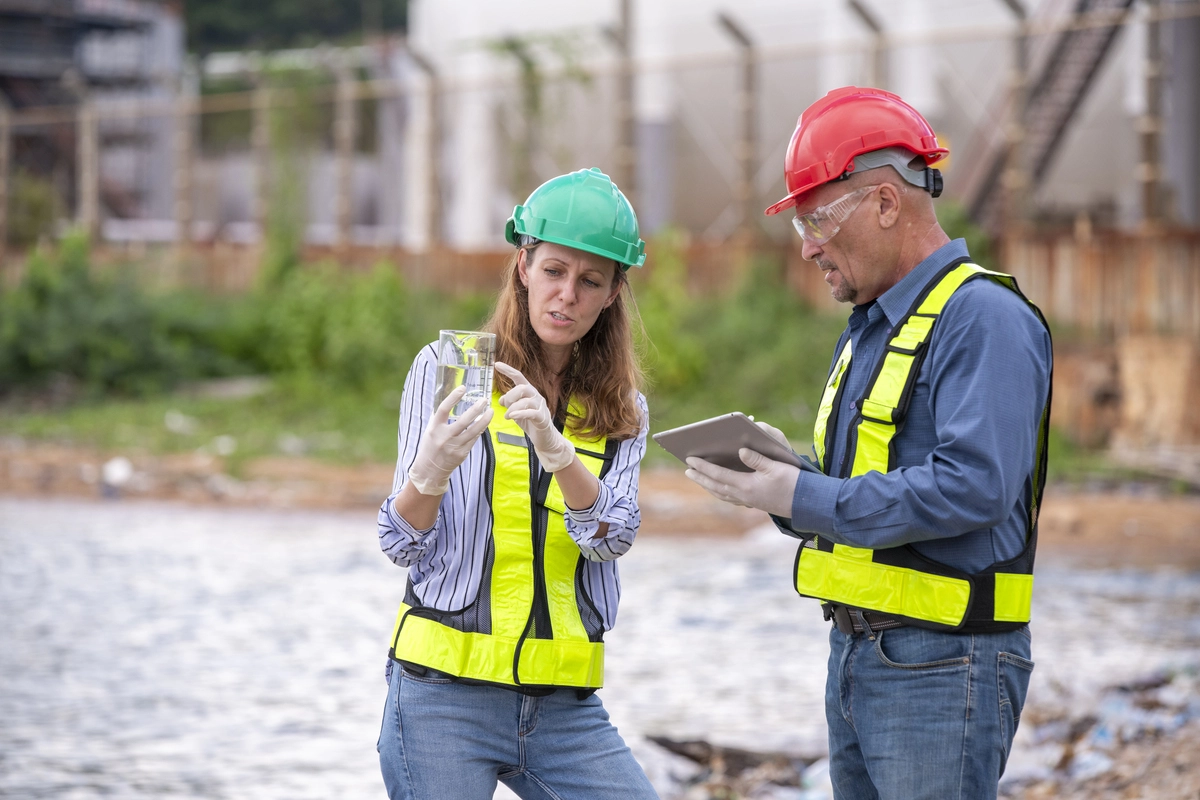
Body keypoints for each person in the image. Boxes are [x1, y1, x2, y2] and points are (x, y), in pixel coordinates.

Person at [684, 86, 1053, 800]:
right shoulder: (871, 326)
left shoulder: (983, 318)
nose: (809, 247)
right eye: (799, 227)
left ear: (886, 203)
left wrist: (806, 493)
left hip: (945, 664)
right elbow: (864, 491)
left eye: (817, 219)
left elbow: (975, 485)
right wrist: (787, 483)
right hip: (860, 656)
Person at [375, 167, 658, 800]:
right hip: (441, 697)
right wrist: (429, 473)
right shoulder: (447, 370)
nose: (567, 296)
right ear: (523, 266)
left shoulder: (622, 408)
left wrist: (560, 455)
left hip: (564, 710)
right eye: (554, 271)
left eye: (590, 281)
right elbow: (400, 544)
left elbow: (611, 539)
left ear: (614, 292)